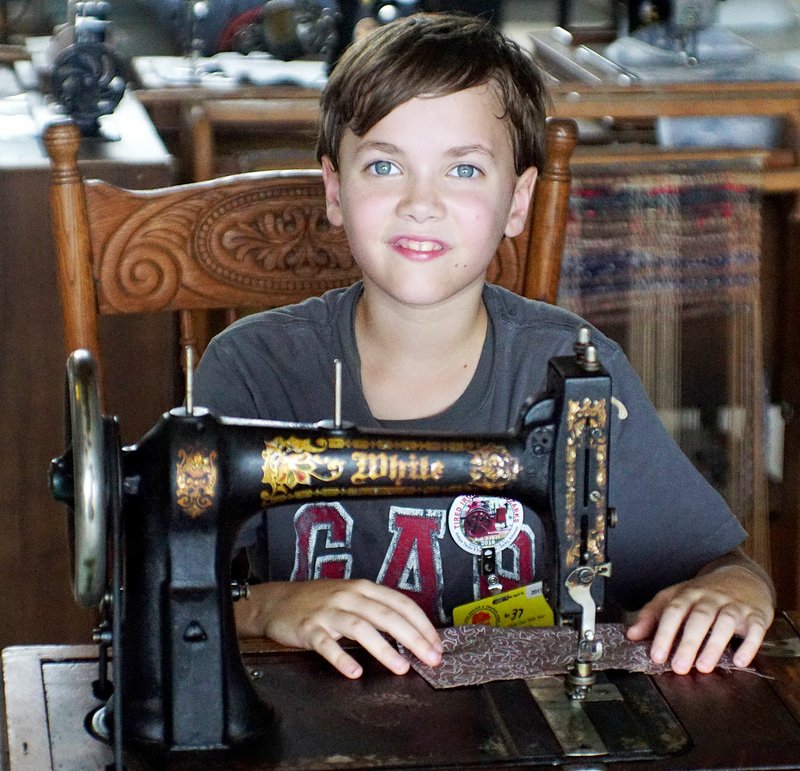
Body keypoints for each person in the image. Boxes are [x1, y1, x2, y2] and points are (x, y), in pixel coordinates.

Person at [193, 12, 775, 681]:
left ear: (519, 201)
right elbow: (168, 591)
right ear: (334, 189)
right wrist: (268, 605)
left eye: (464, 171)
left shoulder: (574, 369)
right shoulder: (252, 371)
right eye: (385, 165)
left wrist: (733, 593)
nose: (422, 202)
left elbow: (726, 569)